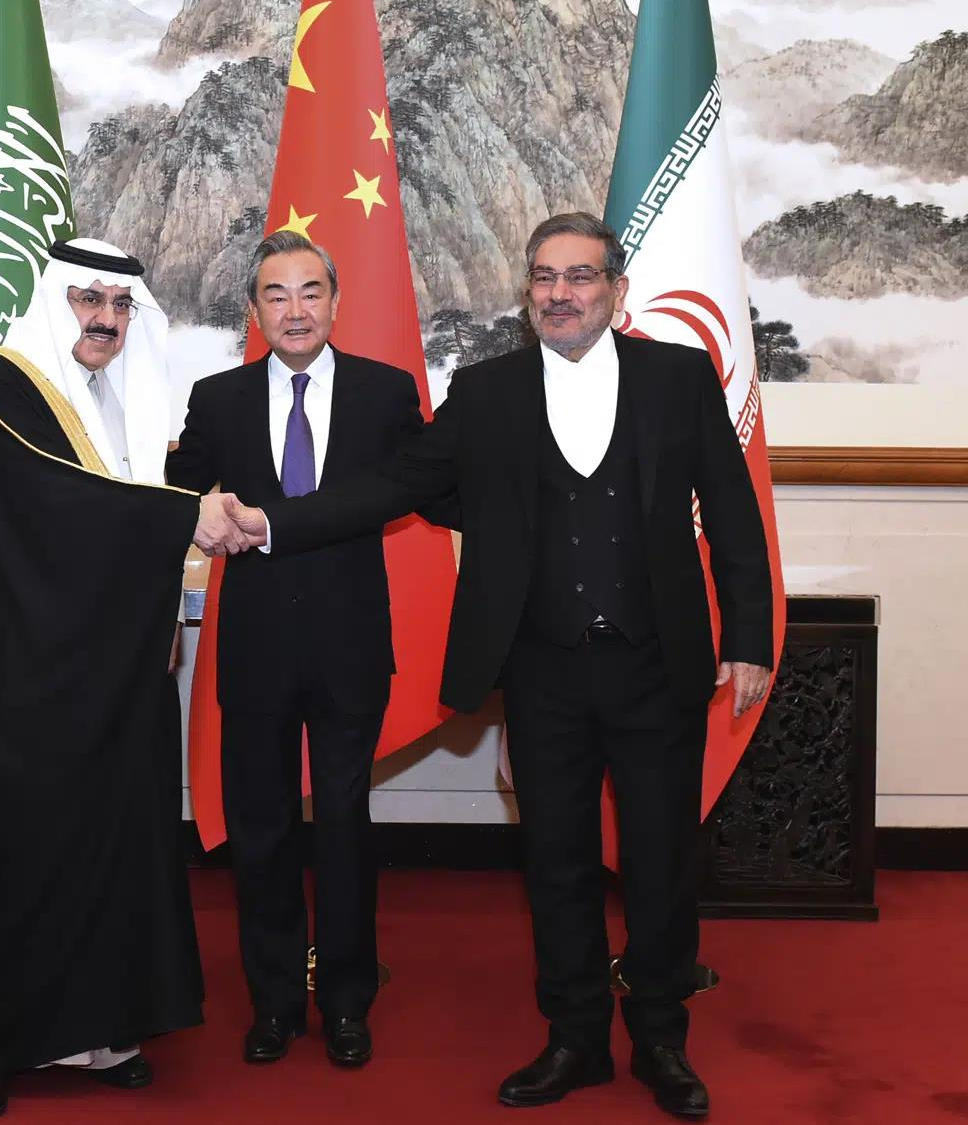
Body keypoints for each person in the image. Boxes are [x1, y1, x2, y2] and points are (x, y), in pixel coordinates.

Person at [203, 213, 773, 1119]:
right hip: (540, 670)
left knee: (662, 858)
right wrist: (274, 522)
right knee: (557, 861)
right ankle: (576, 1037)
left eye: (580, 277)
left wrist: (749, 634)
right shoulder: (487, 391)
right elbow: (394, 486)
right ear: (527, 295)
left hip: (658, 662)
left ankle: (662, 1038)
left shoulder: (680, 377)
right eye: (544, 278)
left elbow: (733, 512)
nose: (561, 293)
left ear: (616, 291)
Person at [0, 237, 210, 1119]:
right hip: (16, 679)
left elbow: (116, 523)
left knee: (113, 844)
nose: (108, 322)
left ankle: (98, 1029)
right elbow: (61, 507)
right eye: (91, 301)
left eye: (123, 307)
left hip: (110, 674)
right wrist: (191, 515)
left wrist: (157, 611)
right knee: (17, 851)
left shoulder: (118, 401)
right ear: (55, 300)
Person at [166, 231, 443, 1068]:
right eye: (277, 295)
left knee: (345, 828)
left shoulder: (385, 392)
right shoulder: (216, 398)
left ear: (336, 301)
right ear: (254, 311)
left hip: (351, 643)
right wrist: (199, 507)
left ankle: (349, 1001)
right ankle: (275, 1002)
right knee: (262, 831)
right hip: (253, 649)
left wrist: (276, 524)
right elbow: (179, 486)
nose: (295, 309)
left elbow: (404, 488)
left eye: (311, 291)